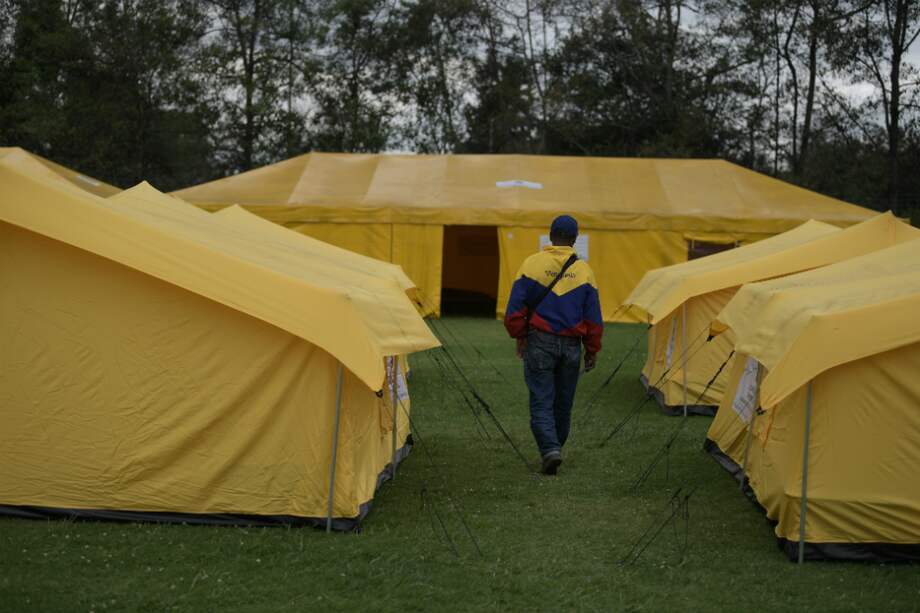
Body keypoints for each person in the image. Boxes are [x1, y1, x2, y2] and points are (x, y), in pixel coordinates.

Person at [503, 215, 603, 475]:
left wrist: (521, 336)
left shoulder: (531, 264)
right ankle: (554, 447)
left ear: (550, 235)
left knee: (541, 399)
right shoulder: (584, 271)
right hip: (572, 346)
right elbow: (593, 319)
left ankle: (550, 449)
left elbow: (514, 311)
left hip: (539, 343)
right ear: (575, 239)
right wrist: (591, 350)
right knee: (563, 402)